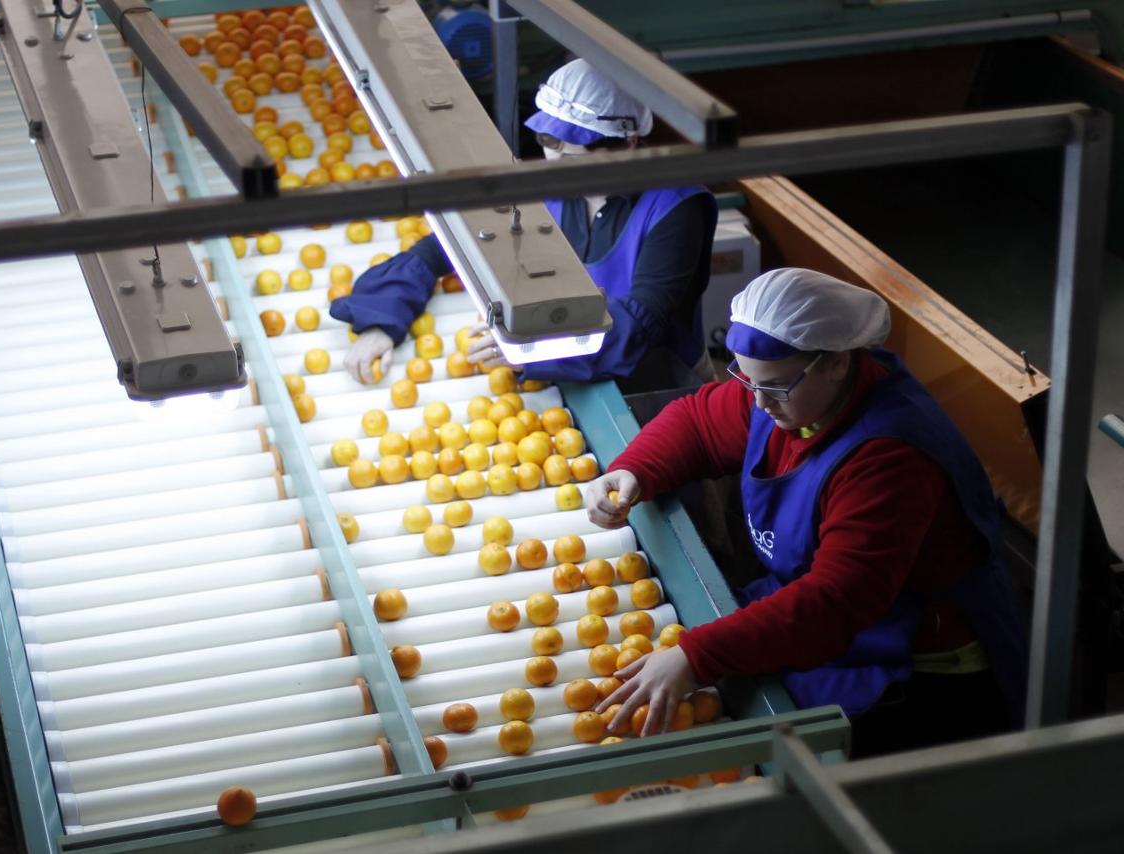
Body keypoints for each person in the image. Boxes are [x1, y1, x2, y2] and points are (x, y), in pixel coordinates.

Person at [586, 268, 1028, 757]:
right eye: (745, 378)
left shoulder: (888, 458)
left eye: (773, 387)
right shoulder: (791, 395)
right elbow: (698, 422)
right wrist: (635, 472)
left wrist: (696, 656)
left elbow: (836, 602)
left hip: (909, 662)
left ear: (836, 363)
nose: (757, 402)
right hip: (820, 616)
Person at [329, 59, 717, 388]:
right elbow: (446, 247)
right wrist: (382, 319)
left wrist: (529, 348)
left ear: (627, 143)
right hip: (563, 375)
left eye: (575, 154)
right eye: (549, 142)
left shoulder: (676, 207)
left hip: (660, 385)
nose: (555, 163)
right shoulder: (543, 184)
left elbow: (641, 327)